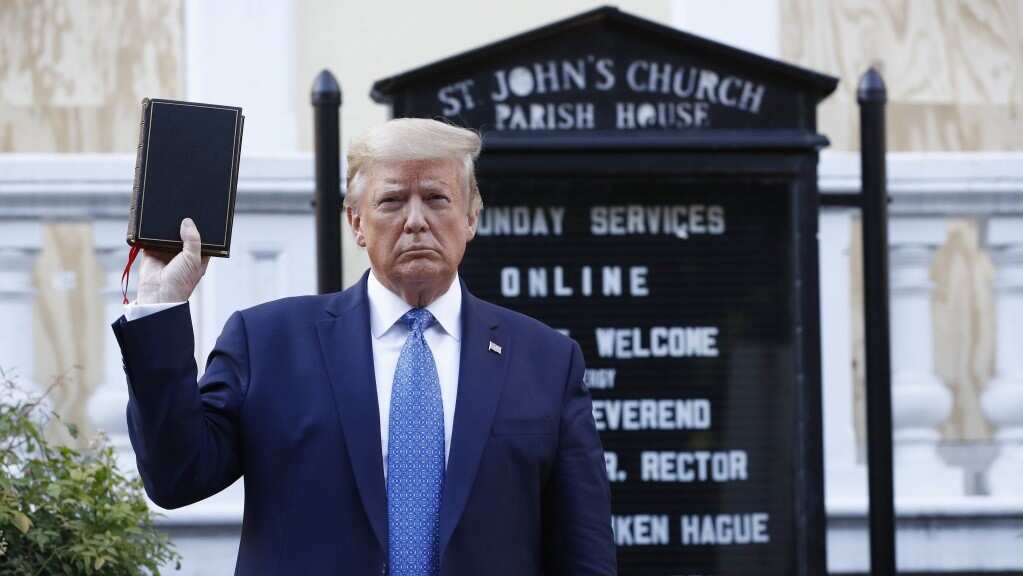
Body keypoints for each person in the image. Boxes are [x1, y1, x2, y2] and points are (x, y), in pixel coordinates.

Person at [111, 118, 616, 575]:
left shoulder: (546, 361)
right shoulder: (268, 343)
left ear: (471, 218)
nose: (415, 220)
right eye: (392, 201)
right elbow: (176, 476)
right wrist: (160, 306)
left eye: (436, 199)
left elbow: (584, 551)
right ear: (355, 222)